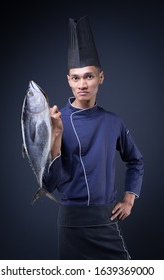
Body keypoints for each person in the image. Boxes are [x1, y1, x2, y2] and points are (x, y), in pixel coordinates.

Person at [43, 15, 144, 260]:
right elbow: (49, 185)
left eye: (88, 76)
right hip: (70, 223)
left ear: (100, 77)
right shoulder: (56, 120)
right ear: (68, 80)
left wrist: (129, 200)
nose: (82, 85)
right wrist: (55, 134)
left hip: (104, 221)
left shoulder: (113, 121)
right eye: (75, 78)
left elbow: (136, 161)